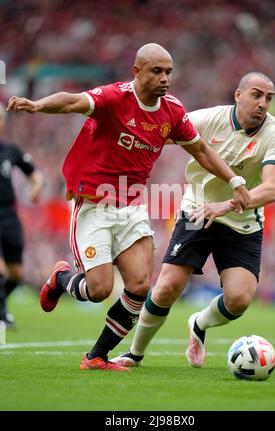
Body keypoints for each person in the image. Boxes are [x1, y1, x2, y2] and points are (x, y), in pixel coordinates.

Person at [7, 43, 249, 371]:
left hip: (132, 205)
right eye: (157, 71)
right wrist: (37, 105)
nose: (165, 78)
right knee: (99, 290)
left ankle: (96, 356)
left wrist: (234, 180)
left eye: (169, 72)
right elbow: (73, 101)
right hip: (93, 203)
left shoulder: (173, 111)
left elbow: (202, 150)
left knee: (139, 286)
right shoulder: (114, 98)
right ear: (137, 72)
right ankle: (62, 278)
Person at [111, 72, 275, 368]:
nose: (263, 104)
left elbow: (271, 189)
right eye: (256, 95)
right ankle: (135, 352)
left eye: (268, 98)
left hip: (243, 221)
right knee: (168, 287)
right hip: (197, 211)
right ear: (238, 95)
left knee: (239, 299)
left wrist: (226, 206)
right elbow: (160, 131)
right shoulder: (209, 119)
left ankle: (199, 324)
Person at [0, 102, 44, 327]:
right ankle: (2, 315)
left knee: (16, 273)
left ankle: (1, 307)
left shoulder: (10, 151)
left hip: (9, 215)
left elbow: (34, 172)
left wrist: (36, 187)